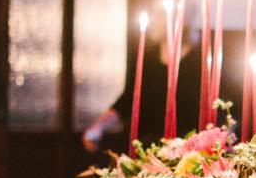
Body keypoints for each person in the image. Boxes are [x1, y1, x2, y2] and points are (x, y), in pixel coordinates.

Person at [82, 20, 207, 151]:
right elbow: (127, 100)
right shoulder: (148, 58)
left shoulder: (199, 60)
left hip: (188, 151)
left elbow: (222, 102)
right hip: (146, 148)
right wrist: (98, 127)